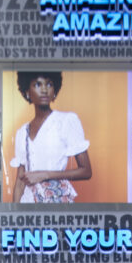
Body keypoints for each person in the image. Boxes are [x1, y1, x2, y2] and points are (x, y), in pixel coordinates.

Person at [11, 72, 92, 203]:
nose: (44, 90)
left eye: (49, 84)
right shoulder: (22, 132)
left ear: (54, 91)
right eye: (37, 84)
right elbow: (20, 183)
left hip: (56, 201)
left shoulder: (67, 121)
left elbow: (86, 171)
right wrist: (14, 216)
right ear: (27, 91)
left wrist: (45, 175)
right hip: (28, 203)